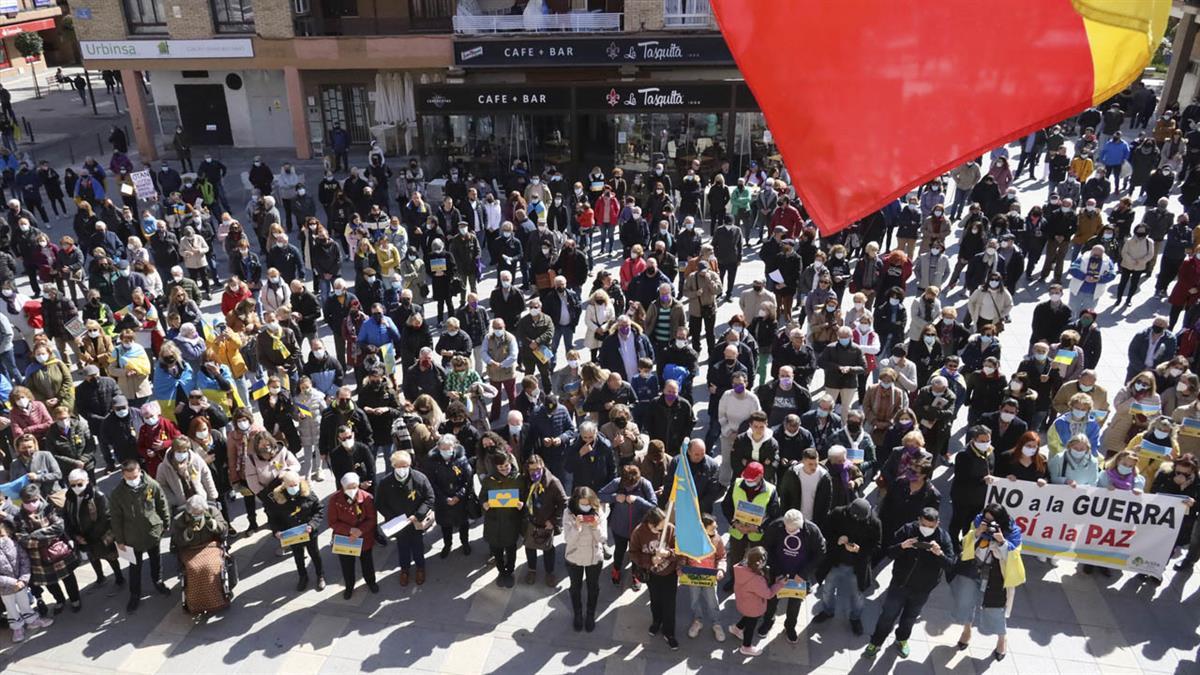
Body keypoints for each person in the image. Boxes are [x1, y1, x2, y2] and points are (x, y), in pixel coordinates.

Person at [862, 507, 955, 660]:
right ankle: (876, 642)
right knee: (887, 615)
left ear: (938, 523)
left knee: (910, 618)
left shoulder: (943, 538)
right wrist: (902, 546)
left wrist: (940, 554)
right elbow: (889, 552)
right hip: (900, 584)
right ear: (919, 520)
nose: (927, 529)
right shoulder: (907, 530)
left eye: (931, 526)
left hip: (922, 590)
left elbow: (950, 565)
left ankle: (902, 640)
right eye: (924, 525)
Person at [950, 504, 1026, 662]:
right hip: (973, 568)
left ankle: (1001, 638)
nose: (989, 524)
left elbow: (1014, 555)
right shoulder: (978, 522)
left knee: (995, 608)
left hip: (995, 576)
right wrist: (977, 533)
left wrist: (1002, 542)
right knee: (965, 601)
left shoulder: (1013, 531)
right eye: (986, 519)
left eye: (993, 522)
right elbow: (966, 543)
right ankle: (966, 630)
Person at [109, 459, 171, 613]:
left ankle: (158, 582)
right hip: (131, 537)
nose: (133, 480)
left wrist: (165, 522)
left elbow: (161, 503)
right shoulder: (117, 494)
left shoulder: (151, 484)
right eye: (129, 478)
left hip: (152, 531)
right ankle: (134, 594)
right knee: (134, 567)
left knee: (156, 560)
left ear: (139, 472)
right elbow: (116, 519)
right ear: (123, 475)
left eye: (135, 476)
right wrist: (120, 540)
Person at [758, 508, 826, 643]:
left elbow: (820, 553)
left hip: (799, 575)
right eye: (788, 529)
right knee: (772, 599)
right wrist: (777, 571)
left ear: (801, 525)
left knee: (795, 604)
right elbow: (766, 547)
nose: (790, 531)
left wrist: (803, 573)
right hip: (778, 572)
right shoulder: (775, 526)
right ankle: (768, 621)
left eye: (794, 530)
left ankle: (790, 627)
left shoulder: (812, 530)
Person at [813, 498, 880, 634]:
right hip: (836, 561)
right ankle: (828, 611)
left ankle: (855, 618)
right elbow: (825, 531)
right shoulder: (838, 513)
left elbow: (876, 546)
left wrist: (859, 550)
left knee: (857, 595)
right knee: (828, 589)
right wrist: (836, 539)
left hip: (857, 566)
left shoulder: (874, 523)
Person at [376, 450, 435, 586]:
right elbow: (380, 503)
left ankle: (420, 568)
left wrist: (418, 515)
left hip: (415, 522)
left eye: (405, 466)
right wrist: (393, 517)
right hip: (398, 523)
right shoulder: (386, 482)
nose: (402, 469)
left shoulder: (419, 478)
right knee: (402, 547)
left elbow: (430, 498)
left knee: (418, 546)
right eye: (399, 466)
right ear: (393, 465)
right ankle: (405, 570)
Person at [263, 470, 325, 591]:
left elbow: (319, 510)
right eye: (290, 486)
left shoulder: (308, 494)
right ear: (284, 485)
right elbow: (273, 518)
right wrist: (277, 531)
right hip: (291, 534)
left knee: (315, 554)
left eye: (296, 484)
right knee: (298, 556)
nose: (294, 487)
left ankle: (320, 575)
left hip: (309, 532)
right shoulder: (278, 499)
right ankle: (303, 577)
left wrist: (312, 524)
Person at [629, 507, 679, 650]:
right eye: (659, 529)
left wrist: (668, 554)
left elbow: (680, 551)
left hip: (669, 573)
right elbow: (633, 553)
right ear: (650, 524)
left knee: (669, 604)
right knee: (655, 600)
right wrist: (650, 560)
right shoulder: (639, 532)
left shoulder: (670, 529)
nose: (662, 531)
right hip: (651, 574)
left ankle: (669, 632)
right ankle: (656, 622)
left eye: (664, 528)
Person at [728, 545, 787, 657]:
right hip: (754, 606)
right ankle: (746, 647)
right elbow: (768, 594)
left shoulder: (741, 568)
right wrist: (779, 584)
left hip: (744, 602)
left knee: (748, 616)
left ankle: (737, 628)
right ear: (760, 562)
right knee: (750, 626)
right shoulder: (756, 579)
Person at [327, 472, 379, 599]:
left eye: (355, 486)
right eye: (349, 487)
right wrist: (350, 530)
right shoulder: (334, 500)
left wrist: (360, 531)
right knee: (347, 565)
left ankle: (371, 581)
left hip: (364, 537)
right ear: (343, 487)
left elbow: (372, 519)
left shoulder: (367, 497)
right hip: (345, 538)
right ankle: (349, 586)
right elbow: (332, 522)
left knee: (367, 562)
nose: (352, 490)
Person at [562, 486, 606, 632]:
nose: (585, 507)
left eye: (588, 504)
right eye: (582, 503)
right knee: (575, 587)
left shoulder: (599, 512)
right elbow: (568, 539)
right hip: (574, 557)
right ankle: (578, 614)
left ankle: (590, 615)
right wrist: (577, 526)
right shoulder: (568, 513)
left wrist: (595, 526)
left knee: (593, 588)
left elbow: (603, 538)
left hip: (594, 558)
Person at [480, 449, 526, 586]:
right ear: (496, 467)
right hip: (493, 522)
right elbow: (482, 496)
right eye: (501, 467)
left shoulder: (518, 479)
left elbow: (524, 496)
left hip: (511, 522)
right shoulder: (489, 480)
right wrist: (484, 503)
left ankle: (510, 571)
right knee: (497, 550)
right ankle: (501, 572)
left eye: (507, 466)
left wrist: (521, 504)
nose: (505, 469)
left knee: (511, 550)